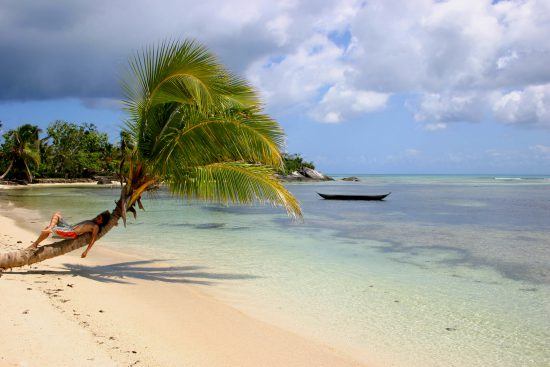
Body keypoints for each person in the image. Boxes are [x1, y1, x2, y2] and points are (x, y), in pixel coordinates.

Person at [30, 211, 111, 258]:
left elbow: (93, 239)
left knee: (48, 228)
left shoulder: (96, 227)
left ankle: (36, 243)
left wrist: (86, 251)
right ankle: (50, 228)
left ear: (102, 222)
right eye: (98, 216)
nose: (97, 218)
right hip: (68, 227)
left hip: (70, 233)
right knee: (57, 214)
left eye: (99, 218)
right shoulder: (93, 222)